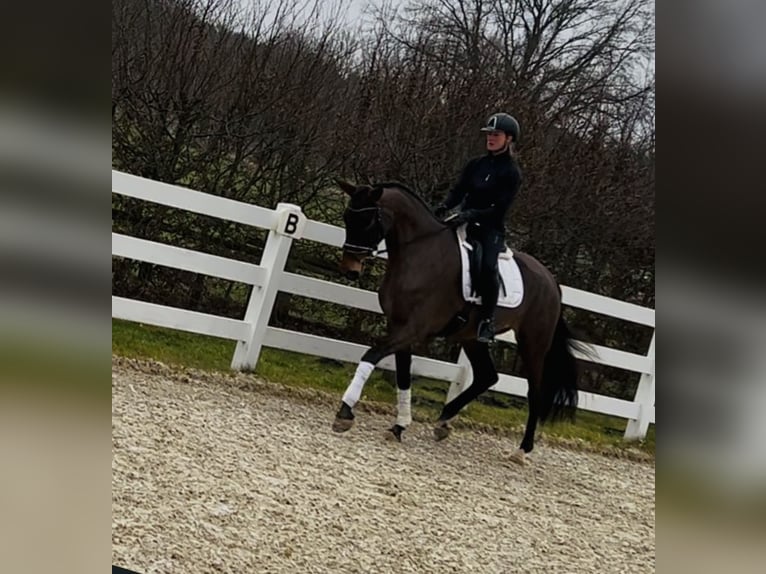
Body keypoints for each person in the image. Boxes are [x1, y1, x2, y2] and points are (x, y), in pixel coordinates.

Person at [434, 112, 523, 343]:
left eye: (496, 135)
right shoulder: (476, 164)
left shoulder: (511, 173)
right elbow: (459, 190)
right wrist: (444, 206)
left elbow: (499, 209)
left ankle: (486, 321)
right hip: (463, 221)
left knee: (487, 267)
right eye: (488, 134)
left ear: (509, 139)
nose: (490, 138)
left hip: (489, 229)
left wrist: (470, 214)